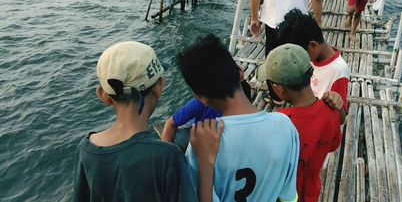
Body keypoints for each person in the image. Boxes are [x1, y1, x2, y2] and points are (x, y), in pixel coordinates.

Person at [73, 41, 220, 202]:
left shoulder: (85, 150)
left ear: (103, 95)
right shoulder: (168, 157)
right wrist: (206, 161)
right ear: (159, 87)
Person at [178, 33, 300, 202]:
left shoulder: (204, 144)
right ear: (240, 73)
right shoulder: (286, 127)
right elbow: (288, 196)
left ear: (201, 98)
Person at [256, 43, 342, 202]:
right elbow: (333, 145)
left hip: (284, 196)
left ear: (278, 89)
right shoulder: (331, 111)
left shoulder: (279, 123)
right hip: (311, 193)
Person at [277, 9, 350, 122]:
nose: (296, 59)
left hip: (321, 124)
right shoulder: (311, 57)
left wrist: (337, 102)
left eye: (299, 54)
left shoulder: (339, 70)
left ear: (312, 46)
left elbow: (341, 119)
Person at [160, 78, 251, 151]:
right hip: (197, 134)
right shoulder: (198, 103)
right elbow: (170, 123)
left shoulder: (241, 115)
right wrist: (167, 156)